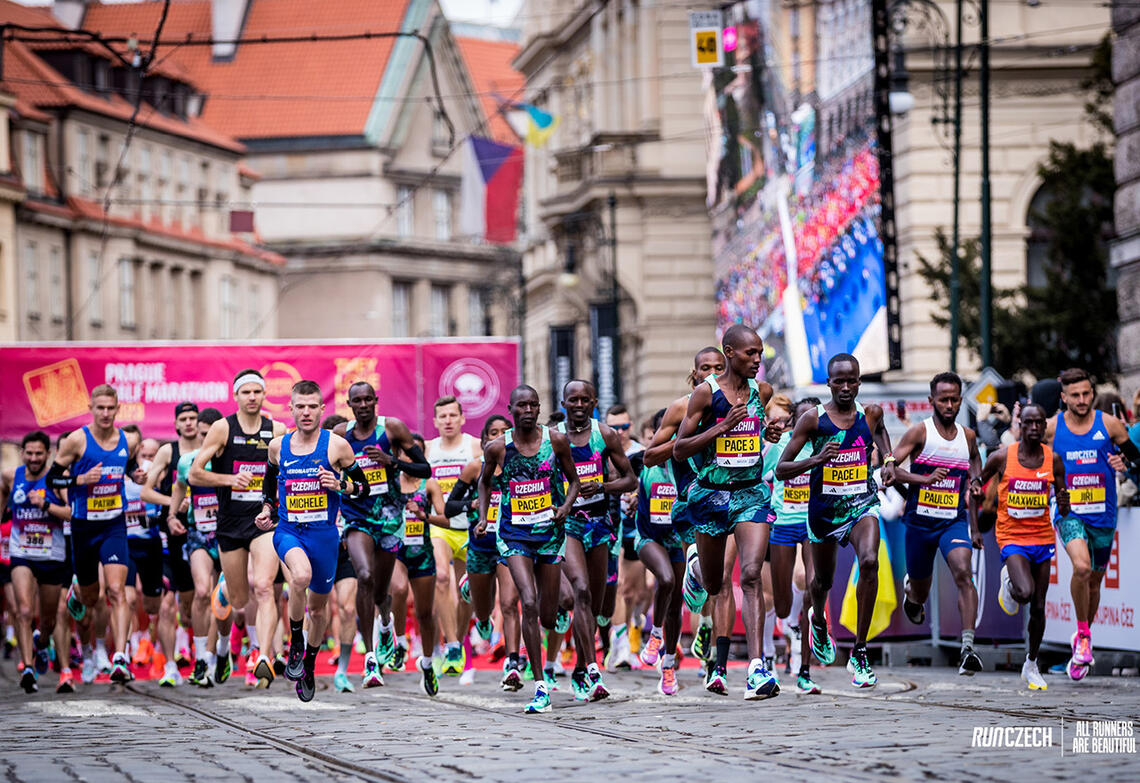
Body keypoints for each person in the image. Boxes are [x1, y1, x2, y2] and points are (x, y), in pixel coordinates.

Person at [776, 353, 896, 689]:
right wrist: (817, 458)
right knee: (821, 584)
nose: (845, 387)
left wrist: (888, 459)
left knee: (869, 560)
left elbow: (882, 432)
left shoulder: (870, 413)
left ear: (859, 381)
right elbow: (781, 470)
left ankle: (860, 651)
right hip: (824, 512)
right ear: (828, 383)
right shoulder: (813, 420)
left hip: (861, 503)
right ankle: (818, 619)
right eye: (839, 381)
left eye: (852, 380)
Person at [674, 325, 781, 700]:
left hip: (750, 493)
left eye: (760, 354)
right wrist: (722, 426)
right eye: (751, 354)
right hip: (711, 496)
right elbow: (680, 449)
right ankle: (696, 571)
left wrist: (765, 434)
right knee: (715, 582)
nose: (757, 360)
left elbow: (754, 431)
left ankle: (756, 668)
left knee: (750, 575)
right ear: (730, 352)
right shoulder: (706, 393)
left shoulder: (761, 391)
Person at [255, 380, 369, 702]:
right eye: (299, 407)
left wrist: (340, 484)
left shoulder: (337, 447)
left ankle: (308, 663)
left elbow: (363, 489)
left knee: (318, 612)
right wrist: (266, 509)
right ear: (290, 409)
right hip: (290, 532)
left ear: (322, 409)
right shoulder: (278, 446)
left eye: (311, 407)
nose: (305, 412)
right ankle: (295, 642)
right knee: (299, 577)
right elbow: (269, 487)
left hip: (324, 537)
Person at [475, 385, 579, 713]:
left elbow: (573, 480)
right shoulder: (498, 448)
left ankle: (555, 614)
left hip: (549, 534)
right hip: (513, 535)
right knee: (528, 602)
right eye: (522, 406)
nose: (529, 410)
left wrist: (565, 506)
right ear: (511, 410)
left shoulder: (555, 441)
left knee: (548, 614)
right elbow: (483, 482)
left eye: (534, 405)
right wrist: (482, 517)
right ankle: (540, 685)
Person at [190, 369, 287, 687]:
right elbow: (195, 473)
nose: (252, 397)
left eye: (257, 392)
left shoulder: (277, 429)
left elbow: (287, 474)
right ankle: (221, 651)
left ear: (263, 394)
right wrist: (230, 479)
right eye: (245, 392)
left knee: (264, 588)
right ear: (236, 396)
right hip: (230, 523)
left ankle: (262, 655)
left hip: (263, 521)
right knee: (238, 598)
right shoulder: (222, 428)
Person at [332, 381, 429, 689]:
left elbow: (425, 469)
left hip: (389, 517)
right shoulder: (341, 435)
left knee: (379, 593)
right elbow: (327, 468)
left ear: (376, 401)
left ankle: (386, 624)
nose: (362, 405)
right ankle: (371, 658)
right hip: (357, 516)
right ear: (349, 405)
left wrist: (393, 462)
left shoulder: (392, 429)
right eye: (356, 400)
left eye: (367, 399)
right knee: (363, 575)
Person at [1045, 368, 1140, 680]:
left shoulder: (1109, 424)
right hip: (1069, 511)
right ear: (1064, 397)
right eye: (1075, 395)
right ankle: (1084, 636)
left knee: (1095, 582)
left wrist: (1123, 464)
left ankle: (1082, 634)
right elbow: (1026, 458)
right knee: (1081, 568)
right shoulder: (1051, 428)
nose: (1082, 400)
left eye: (1086, 394)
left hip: (1103, 514)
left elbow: (1136, 459)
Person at [890, 373, 985, 676]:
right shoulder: (919, 433)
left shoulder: (968, 436)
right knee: (920, 591)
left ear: (960, 400)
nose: (948, 404)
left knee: (963, 571)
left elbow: (975, 461)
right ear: (931, 401)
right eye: (942, 399)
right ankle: (911, 593)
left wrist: (976, 480)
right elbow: (889, 469)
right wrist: (924, 479)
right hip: (919, 524)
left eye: (954, 399)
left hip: (952, 522)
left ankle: (968, 648)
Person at [46, 384, 142, 684]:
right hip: (83, 526)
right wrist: (79, 478)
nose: (105, 413)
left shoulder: (128, 439)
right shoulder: (77, 441)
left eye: (110, 408)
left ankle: (120, 657)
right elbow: (51, 480)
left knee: (117, 591)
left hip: (114, 523)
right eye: (99, 408)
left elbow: (130, 466)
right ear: (91, 408)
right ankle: (78, 590)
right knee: (90, 598)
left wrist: (135, 474)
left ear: (117, 409)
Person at [642, 347, 726, 665]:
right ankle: (696, 580)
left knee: (724, 577)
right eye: (706, 368)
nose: (713, 373)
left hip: (731, 497)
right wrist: (685, 440)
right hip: (692, 499)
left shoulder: (738, 403)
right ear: (695, 374)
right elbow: (650, 456)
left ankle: (705, 625)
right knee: (704, 576)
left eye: (720, 366)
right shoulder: (681, 407)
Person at [981, 403, 1069, 691]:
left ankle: (1031, 663)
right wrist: (972, 521)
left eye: (1039, 423)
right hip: (1011, 536)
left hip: (1042, 537)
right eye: (1028, 423)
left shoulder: (1053, 460)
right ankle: (1009, 583)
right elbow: (975, 486)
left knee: (1040, 605)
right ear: (1019, 425)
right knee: (1026, 592)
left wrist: (1065, 504)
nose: (1033, 428)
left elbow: (1063, 499)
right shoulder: (1002, 457)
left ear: (1045, 427)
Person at [557, 380, 635, 700]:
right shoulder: (554, 438)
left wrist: (601, 487)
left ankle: (581, 665)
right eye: (572, 400)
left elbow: (629, 478)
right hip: (568, 524)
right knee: (582, 591)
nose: (578, 405)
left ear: (594, 403)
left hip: (600, 523)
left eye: (584, 400)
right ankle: (591, 668)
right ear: (563, 403)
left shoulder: (605, 435)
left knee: (599, 603)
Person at [444, 415, 525, 690]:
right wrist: (472, 504)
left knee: (510, 603)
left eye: (505, 432)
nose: (500, 437)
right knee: (484, 611)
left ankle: (512, 663)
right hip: (480, 547)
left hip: (510, 543)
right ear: (484, 441)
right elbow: (449, 508)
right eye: (494, 433)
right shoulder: (473, 469)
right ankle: (478, 606)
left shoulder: (523, 467)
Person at [1, 432, 72, 693]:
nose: (33, 458)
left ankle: (42, 642)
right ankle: (28, 667)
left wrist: (46, 505)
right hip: (22, 553)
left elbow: (71, 513)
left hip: (52, 555)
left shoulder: (57, 480)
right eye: (29, 453)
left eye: (38, 453)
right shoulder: (11, 477)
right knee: (23, 610)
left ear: (48, 454)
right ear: (22, 453)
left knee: (49, 620)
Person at [762, 397, 823, 694]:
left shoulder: (828, 444)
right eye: (802, 418)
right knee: (782, 604)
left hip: (812, 526)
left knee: (813, 586)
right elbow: (758, 472)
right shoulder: (781, 445)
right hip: (783, 524)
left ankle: (804, 668)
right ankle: (788, 626)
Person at [169, 408, 230, 687]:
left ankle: (219, 650)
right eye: (203, 435)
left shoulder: (229, 459)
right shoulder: (188, 460)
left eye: (211, 436)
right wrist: (172, 515)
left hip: (229, 534)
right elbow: (179, 487)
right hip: (198, 534)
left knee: (224, 597)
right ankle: (202, 658)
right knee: (202, 592)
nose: (207, 441)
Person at [141, 401, 203, 670]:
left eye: (193, 418)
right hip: (173, 536)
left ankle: (200, 655)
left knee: (191, 608)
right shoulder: (169, 451)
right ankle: (168, 666)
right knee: (166, 606)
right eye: (184, 419)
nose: (188, 423)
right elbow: (145, 491)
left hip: (202, 535)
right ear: (176, 424)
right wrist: (173, 504)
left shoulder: (208, 449)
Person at [424, 396, 482, 678]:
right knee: (442, 577)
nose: (447, 420)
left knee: (466, 592)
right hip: (441, 527)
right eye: (442, 416)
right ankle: (454, 644)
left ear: (461, 419)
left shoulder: (473, 447)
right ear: (435, 422)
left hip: (470, 529)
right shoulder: (427, 449)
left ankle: (459, 640)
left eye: (452, 415)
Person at [632, 408, 685, 695]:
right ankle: (654, 634)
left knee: (676, 605)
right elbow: (622, 475)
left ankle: (668, 664)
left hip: (678, 540)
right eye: (664, 432)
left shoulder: (689, 464)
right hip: (648, 538)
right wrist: (630, 496)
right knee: (666, 579)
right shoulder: (643, 463)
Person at [395, 433, 450, 697]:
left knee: (425, 613)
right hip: (395, 550)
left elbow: (445, 520)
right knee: (397, 588)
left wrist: (423, 515)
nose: (410, 457)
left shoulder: (430, 484)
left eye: (416, 453)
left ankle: (427, 663)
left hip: (422, 552)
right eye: (406, 452)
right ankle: (397, 641)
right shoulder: (391, 482)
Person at [604, 403, 648, 668]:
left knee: (633, 591)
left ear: (631, 426)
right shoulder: (602, 451)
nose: (620, 432)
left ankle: (629, 632)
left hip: (636, 527)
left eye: (624, 427)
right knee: (618, 584)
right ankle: (620, 646)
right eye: (614, 427)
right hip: (611, 524)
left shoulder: (641, 453)